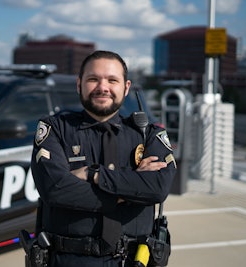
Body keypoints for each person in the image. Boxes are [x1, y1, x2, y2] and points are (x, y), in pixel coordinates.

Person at [31, 50, 176, 267]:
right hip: (69, 260)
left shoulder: (148, 135)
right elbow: (55, 189)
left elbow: (157, 188)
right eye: (93, 79)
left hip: (134, 261)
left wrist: (93, 174)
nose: (103, 87)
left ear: (126, 88)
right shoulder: (55, 129)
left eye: (112, 80)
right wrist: (131, 189)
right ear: (79, 84)